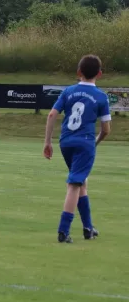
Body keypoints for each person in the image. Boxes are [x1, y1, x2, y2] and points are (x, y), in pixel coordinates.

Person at [43, 54, 111, 243]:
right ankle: (63, 231)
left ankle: (88, 228)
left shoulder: (68, 91)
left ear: (78, 72)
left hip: (66, 142)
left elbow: (51, 115)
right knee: (74, 184)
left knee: (81, 182)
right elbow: (106, 130)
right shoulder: (101, 97)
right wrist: (94, 143)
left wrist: (47, 142)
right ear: (100, 74)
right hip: (85, 142)